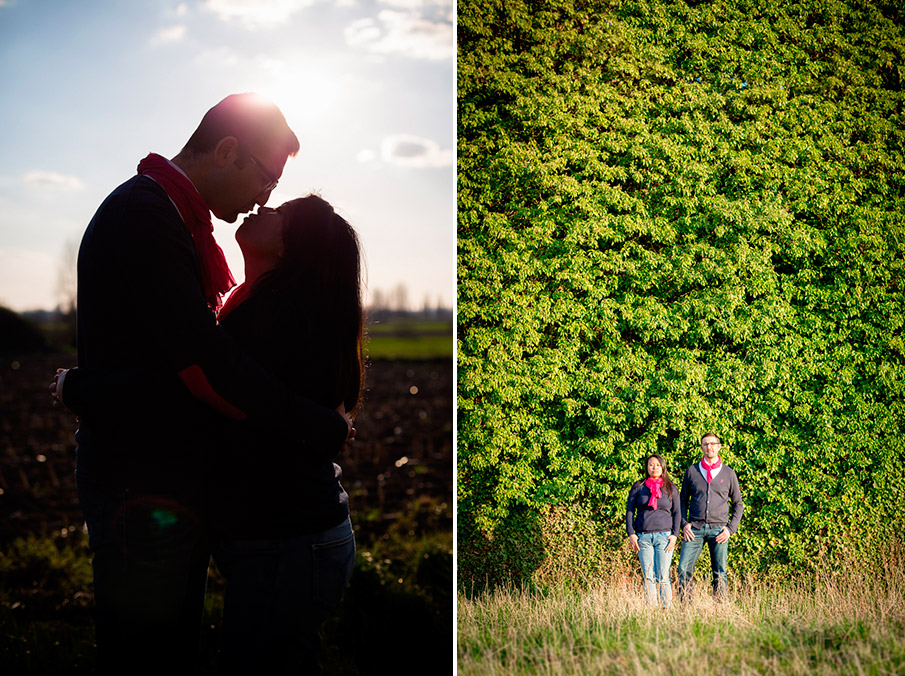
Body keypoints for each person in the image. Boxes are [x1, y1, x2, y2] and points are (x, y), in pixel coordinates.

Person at [52, 94, 351, 674]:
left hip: (163, 485)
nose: (265, 198)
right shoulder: (147, 213)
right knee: (147, 655)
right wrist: (317, 424)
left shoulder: (175, 219)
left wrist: (85, 388)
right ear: (228, 150)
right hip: (137, 484)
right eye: (266, 179)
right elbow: (203, 361)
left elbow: (190, 363)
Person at [211, 194, 363, 673]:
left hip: (288, 542)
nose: (262, 209)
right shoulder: (269, 310)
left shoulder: (273, 321)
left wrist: (87, 387)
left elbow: (197, 380)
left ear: (293, 249)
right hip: (299, 537)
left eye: (281, 214)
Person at [676, 433, 744, 602]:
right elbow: (682, 501)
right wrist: (684, 524)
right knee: (683, 568)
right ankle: (686, 608)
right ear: (701, 448)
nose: (709, 447)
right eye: (706, 444)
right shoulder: (692, 471)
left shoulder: (728, 473)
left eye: (713, 444)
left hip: (719, 530)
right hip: (695, 529)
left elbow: (738, 504)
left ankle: (720, 609)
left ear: (719, 446)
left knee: (720, 572)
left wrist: (730, 529)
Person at [625, 454, 681, 608]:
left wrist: (675, 535)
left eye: (657, 464)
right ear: (647, 467)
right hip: (643, 537)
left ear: (662, 467)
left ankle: (666, 609)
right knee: (648, 576)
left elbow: (677, 513)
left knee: (663, 576)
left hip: (664, 537)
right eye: (651, 464)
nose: (654, 467)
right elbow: (630, 511)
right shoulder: (639, 487)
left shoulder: (670, 488)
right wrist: (631, 534)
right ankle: (651, 609)